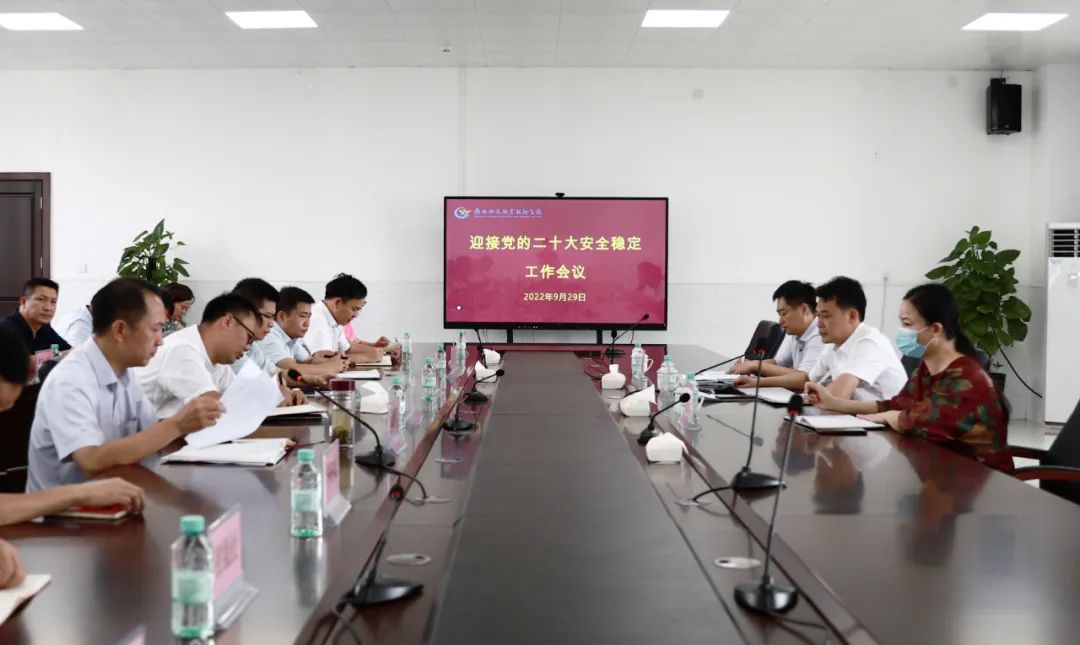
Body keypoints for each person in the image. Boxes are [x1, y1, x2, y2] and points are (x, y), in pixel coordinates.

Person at [25, 278, 223, 492]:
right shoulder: (70, 379)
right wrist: (177, 425)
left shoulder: (124, 373)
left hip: (116, 492)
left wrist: (188, 424)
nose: (160, 340)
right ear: (120, 330)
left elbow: (148, 433)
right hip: (64, 508)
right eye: (155, 329)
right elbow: (90, 461)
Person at [806, 283, 1011, 471]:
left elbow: (919, 422)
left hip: (979, 480)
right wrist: (833, 402)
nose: (901, 332)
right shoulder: (925, 370)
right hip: (940, 473)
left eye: (907, 324)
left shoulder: (966, 377)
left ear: (935, 329)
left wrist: (890, 416)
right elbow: (894, 405)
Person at [139, 293, 259, 418]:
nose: (247, 347)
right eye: (249, 337)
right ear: (227, 321)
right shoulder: (181, 349)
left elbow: (242, 395)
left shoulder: (217, 361)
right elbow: (213, 405)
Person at [804, 276, 906, 402]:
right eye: (818, 316)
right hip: (855, 412)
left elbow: (837, 396)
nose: (819, 323)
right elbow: (811, 379)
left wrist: (814, 394)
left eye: (826, 316)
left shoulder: (870, 342)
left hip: (887, 414)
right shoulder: (834, 343)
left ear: (852, 316)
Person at [733, 280, 825, 391]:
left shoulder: (820, 334)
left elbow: (805, 378)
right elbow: (778, 363)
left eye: (784, 313)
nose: (780, 321)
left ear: (804, 309)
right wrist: (749, 365)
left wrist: (757, 368)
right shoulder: (798, 334)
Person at [230, 278, 304, 404]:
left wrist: (287, 390)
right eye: (267, 316)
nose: (272, 324)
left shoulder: (252, 345)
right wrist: (278, 393)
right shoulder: (231, 348)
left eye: (272, 317)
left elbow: (277, 374)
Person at [255, 286, 347, 387]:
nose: (307, 323)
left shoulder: (291, 336)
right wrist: (331, 367)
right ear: (282, 316)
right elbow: (292, 369)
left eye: (309, 317)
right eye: (303, 316)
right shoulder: (269, 336)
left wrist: (336, 361)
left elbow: (309, 361)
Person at [304, 274, 393, 363]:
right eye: (354, 309)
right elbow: (322, 359)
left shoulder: (334, 318)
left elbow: (347, 348)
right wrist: (367, 357)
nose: (356, 315)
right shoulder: (317, 319)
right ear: (338, 303)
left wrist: (380, 352)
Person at [0, 278, 71, 354]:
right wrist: (57, 354)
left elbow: (64, 350)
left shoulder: (44, 327)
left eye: (53, 301)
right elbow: (24, 360)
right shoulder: (6, 329)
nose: (48, 308)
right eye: (41, 299)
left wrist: (57, 353)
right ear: (24, 302)